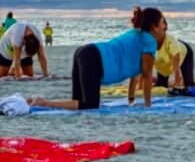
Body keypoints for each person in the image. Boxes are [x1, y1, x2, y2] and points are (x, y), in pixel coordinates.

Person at [28, 7, 162, 110]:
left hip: (85, 51)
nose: (165, 26)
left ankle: (37, 101)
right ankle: (44, 102)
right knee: (90, 105)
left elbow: (135, 75)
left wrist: (131, 99)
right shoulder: (149, 41)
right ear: (154, 27)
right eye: (162, 22)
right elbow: (147, 76)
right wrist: (148, 105)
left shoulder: (135, 34)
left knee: (79, 102)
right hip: (95, 59)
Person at [152, 16, 195, 88]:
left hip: (185, 53)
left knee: (189, 85)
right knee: (161, 86)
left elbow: (176, 70)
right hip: (164, 61)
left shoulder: (171, 43)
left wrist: (177, 84)